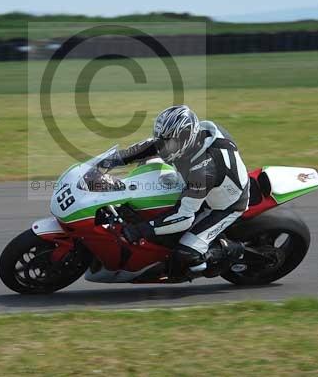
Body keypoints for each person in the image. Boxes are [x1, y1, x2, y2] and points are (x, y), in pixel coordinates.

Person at [100, 105, 249, 274]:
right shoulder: (187, 140)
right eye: (162, 140)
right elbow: (151, 146)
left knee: (186, 253)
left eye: (168, 143)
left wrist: (141, 230)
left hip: (224, 206)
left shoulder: (203, 171)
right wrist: (115, 159)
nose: (163, 147)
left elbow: (184, 216)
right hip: (202, 185)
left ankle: (234, 251)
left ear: (185, 138)